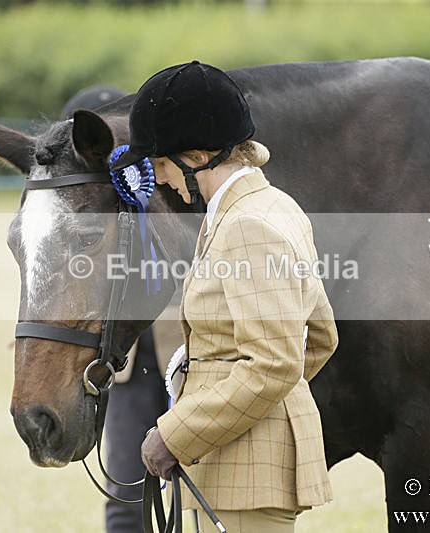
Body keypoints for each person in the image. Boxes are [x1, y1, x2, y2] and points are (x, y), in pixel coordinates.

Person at [112, 61, 339, 533]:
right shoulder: (273, 206)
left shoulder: (246, 226)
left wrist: (177, 434)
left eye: (161, 163)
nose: (160, 179)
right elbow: (319, 337)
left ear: (197, 156)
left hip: (246, 474)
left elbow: (274, 364)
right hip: (234, 462)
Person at [61, 85, 176, 533]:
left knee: (199, 494)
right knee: (127, 492)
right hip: (124, 366)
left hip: (183, 353)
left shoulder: (161, 186)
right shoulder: (82, 210)